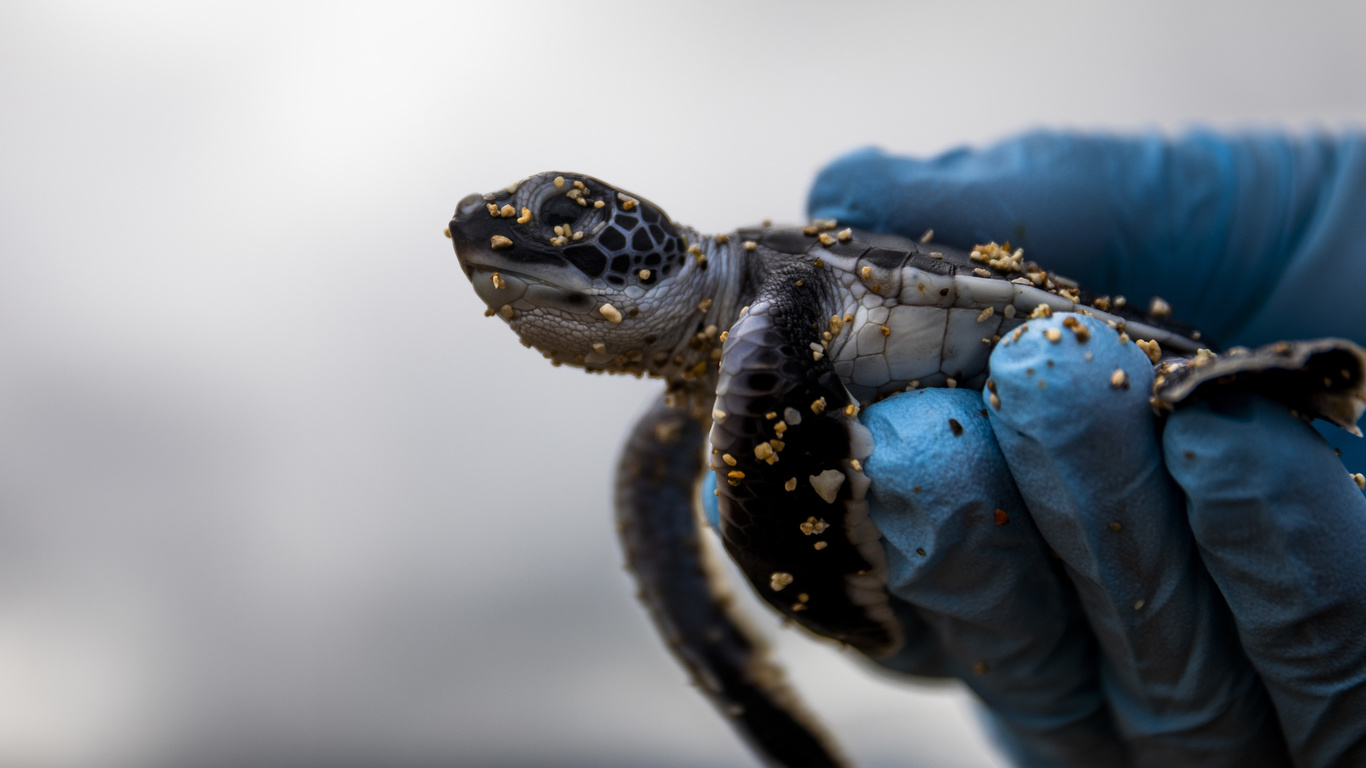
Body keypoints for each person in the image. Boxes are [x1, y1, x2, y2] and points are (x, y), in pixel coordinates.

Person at [714, 133, 1366, 766]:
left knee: (1169, 408)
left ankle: (1283, 384)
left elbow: (764, 436)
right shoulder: (703, 375)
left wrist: (818, 585)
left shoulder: (763, 323)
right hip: (1047, 418)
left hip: (1067, 344)